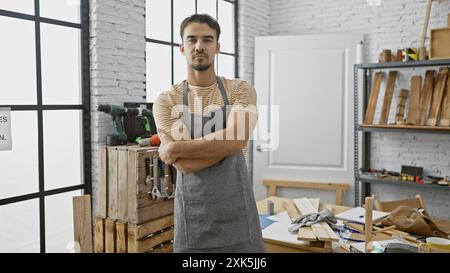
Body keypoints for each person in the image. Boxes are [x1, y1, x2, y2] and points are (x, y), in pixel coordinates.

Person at [153, 14, 264, 253]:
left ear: (217, 47)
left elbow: (237, 138)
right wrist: (226, 144)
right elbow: (184, 166)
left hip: (239, 215)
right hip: (193, 219)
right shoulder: (167, 100)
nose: (199, 46)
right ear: (182, 48)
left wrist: (173, 148)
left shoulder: (240, 90)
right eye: (192, 39)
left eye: (207, 39)